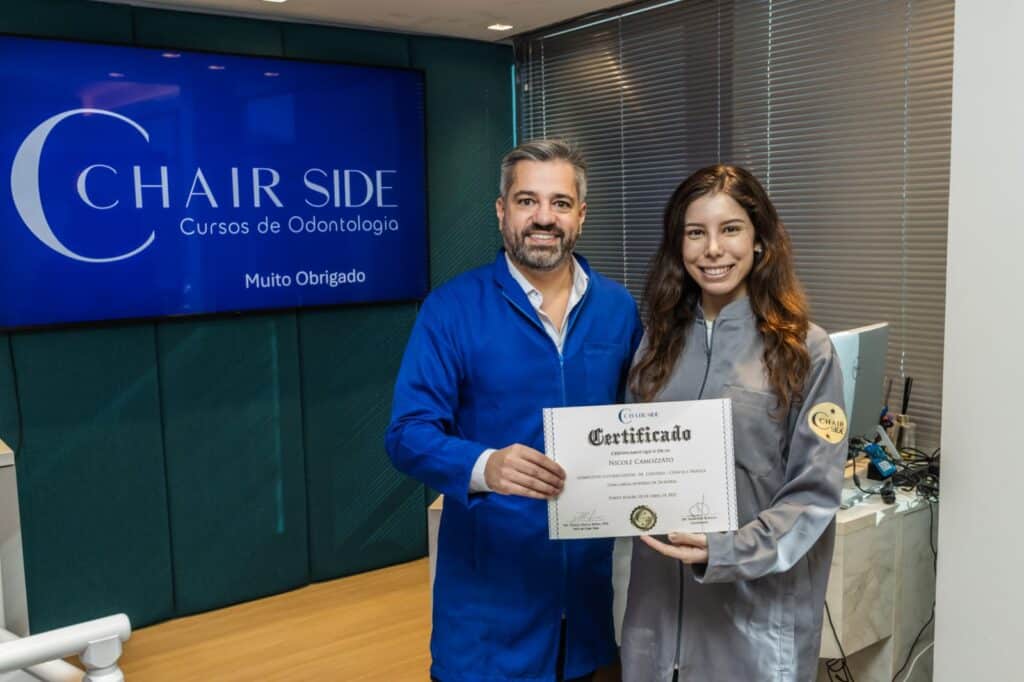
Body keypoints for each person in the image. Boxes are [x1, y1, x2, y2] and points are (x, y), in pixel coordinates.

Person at [385, 139, 643, 682]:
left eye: (560, 203)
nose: (544, 217)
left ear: (581, 215)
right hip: (487, 622)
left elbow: (643, 422)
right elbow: (408, 433)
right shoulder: (452, 309)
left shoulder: (619, 311)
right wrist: (486, 465)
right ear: (502, 211)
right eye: (527, 201)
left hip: (589, 620)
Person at [619, 165, 847, 682]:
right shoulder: (655, 346)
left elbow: (813, 498)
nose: (712, 249)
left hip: (752, 623)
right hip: (656, 622)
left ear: (760, 239)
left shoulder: (806, 351)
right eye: (695, 233)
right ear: (679, 245)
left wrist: (724, 550)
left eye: (731, 229)